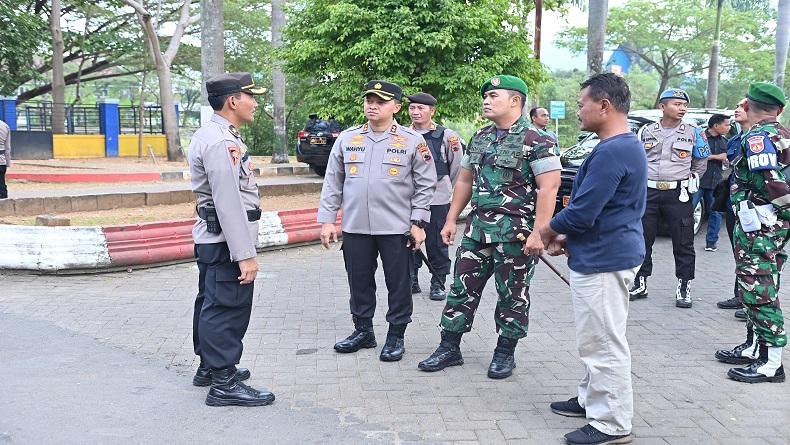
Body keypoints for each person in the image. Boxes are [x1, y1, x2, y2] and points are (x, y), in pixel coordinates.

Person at [417, 75, 561, 379]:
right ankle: (449, 347)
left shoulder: (538, 140)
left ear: (515, 101)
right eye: (485, 95)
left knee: (513, 294)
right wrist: (450, 219)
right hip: (477, 230)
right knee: (460, 289)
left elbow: (548, 189)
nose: (486, 100)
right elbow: (465, 179)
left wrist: (540, 232)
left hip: (516, 235)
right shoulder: (481, 136)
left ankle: (505, 352)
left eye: (494, 95)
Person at [540, 73, 645, 445]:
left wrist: (547, 232)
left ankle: (612, 423)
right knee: (596, 337)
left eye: (582, 103)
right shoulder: (616, 146)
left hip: (606, 259)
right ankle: (590, 399)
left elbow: (583, 211)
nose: (578, 109)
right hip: (602, 250)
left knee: (603, 342)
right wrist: (569, 236)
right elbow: (602, 211)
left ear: (604, 105)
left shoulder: (615, 149)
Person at [318, 80, 436, 362]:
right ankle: (363, 330)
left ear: (396, 107)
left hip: (396, 228)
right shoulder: (348, 139)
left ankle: (396, 335)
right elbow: (333, 182)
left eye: (380, 101)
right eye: (369, 100)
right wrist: (327, 220)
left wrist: (418, 223)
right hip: (356, 226)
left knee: (399, 283)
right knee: (358, 281)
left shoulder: (411, 140)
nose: (372, 105)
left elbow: (426, 184)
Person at [188, 72, 275, 407]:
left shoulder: (218, 134)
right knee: (227, 307)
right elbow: (228, 201)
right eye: (251, 96)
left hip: (216, 238)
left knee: (211, 301)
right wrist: (245, 254)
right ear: (233, 100)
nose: (255, 103)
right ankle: (223, 382)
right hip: (226, 240)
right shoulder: (220, 141)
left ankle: (210, 368)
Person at [716, 82, 789, 384]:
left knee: (759, 292)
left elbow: (771, 183)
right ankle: (755, 347)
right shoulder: (783, 134)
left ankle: (771, 364)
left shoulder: (757, 137)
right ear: (780, 110)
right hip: (772, 225)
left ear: (747, 107)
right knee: (761, 285)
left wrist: (781, 212)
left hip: (762, 225)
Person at [628, 88, 709, 308]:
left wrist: (692, 178)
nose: (682, 108)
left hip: (678, 193)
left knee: (684, 240)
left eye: (684, 105)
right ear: (662, 107)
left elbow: (702, 161)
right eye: (676, 104)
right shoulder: (645, 131)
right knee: (642, 238)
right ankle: (640, 281)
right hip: (649, 192)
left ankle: (684, 285)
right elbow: (637, 159)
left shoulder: (694, 132)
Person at [406, 92, 464, 300]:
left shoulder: (447, 136)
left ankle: (438, 281)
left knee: (437, 244)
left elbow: (458, 169)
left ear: (432, 111)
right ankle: (410, 278)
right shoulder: (403, 134)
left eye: (421, 108)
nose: (416, 112)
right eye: (412, 108)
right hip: (409, 200)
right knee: (408, 241)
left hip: (437, 199)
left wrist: (452, 195)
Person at [716, 99, 749, 312]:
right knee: (739, 252)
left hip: (753, 205)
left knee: (753, 253)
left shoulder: (764, 137)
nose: (736, 109)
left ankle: (752, 301)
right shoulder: (736, 139)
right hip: (733, 203)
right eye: (736, 105)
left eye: (742, 106)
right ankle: (740, 295)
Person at [693, 114, 731, 252]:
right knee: (688, 211)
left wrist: (726, 161)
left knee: (716, 213)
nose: (729, 127)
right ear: (716, 125)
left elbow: (726, 158)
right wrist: (717, 157)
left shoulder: (725, 141)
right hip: (699, 180)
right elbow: (695, 156)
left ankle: (711, 242)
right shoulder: (700, 139)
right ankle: (684, 240)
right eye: (726, 125)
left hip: (716, 182)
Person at [0, 118, 10, 199]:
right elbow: (7, 147)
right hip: (1, 160)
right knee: (2, 185)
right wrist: (7, 162)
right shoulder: (5, 126)